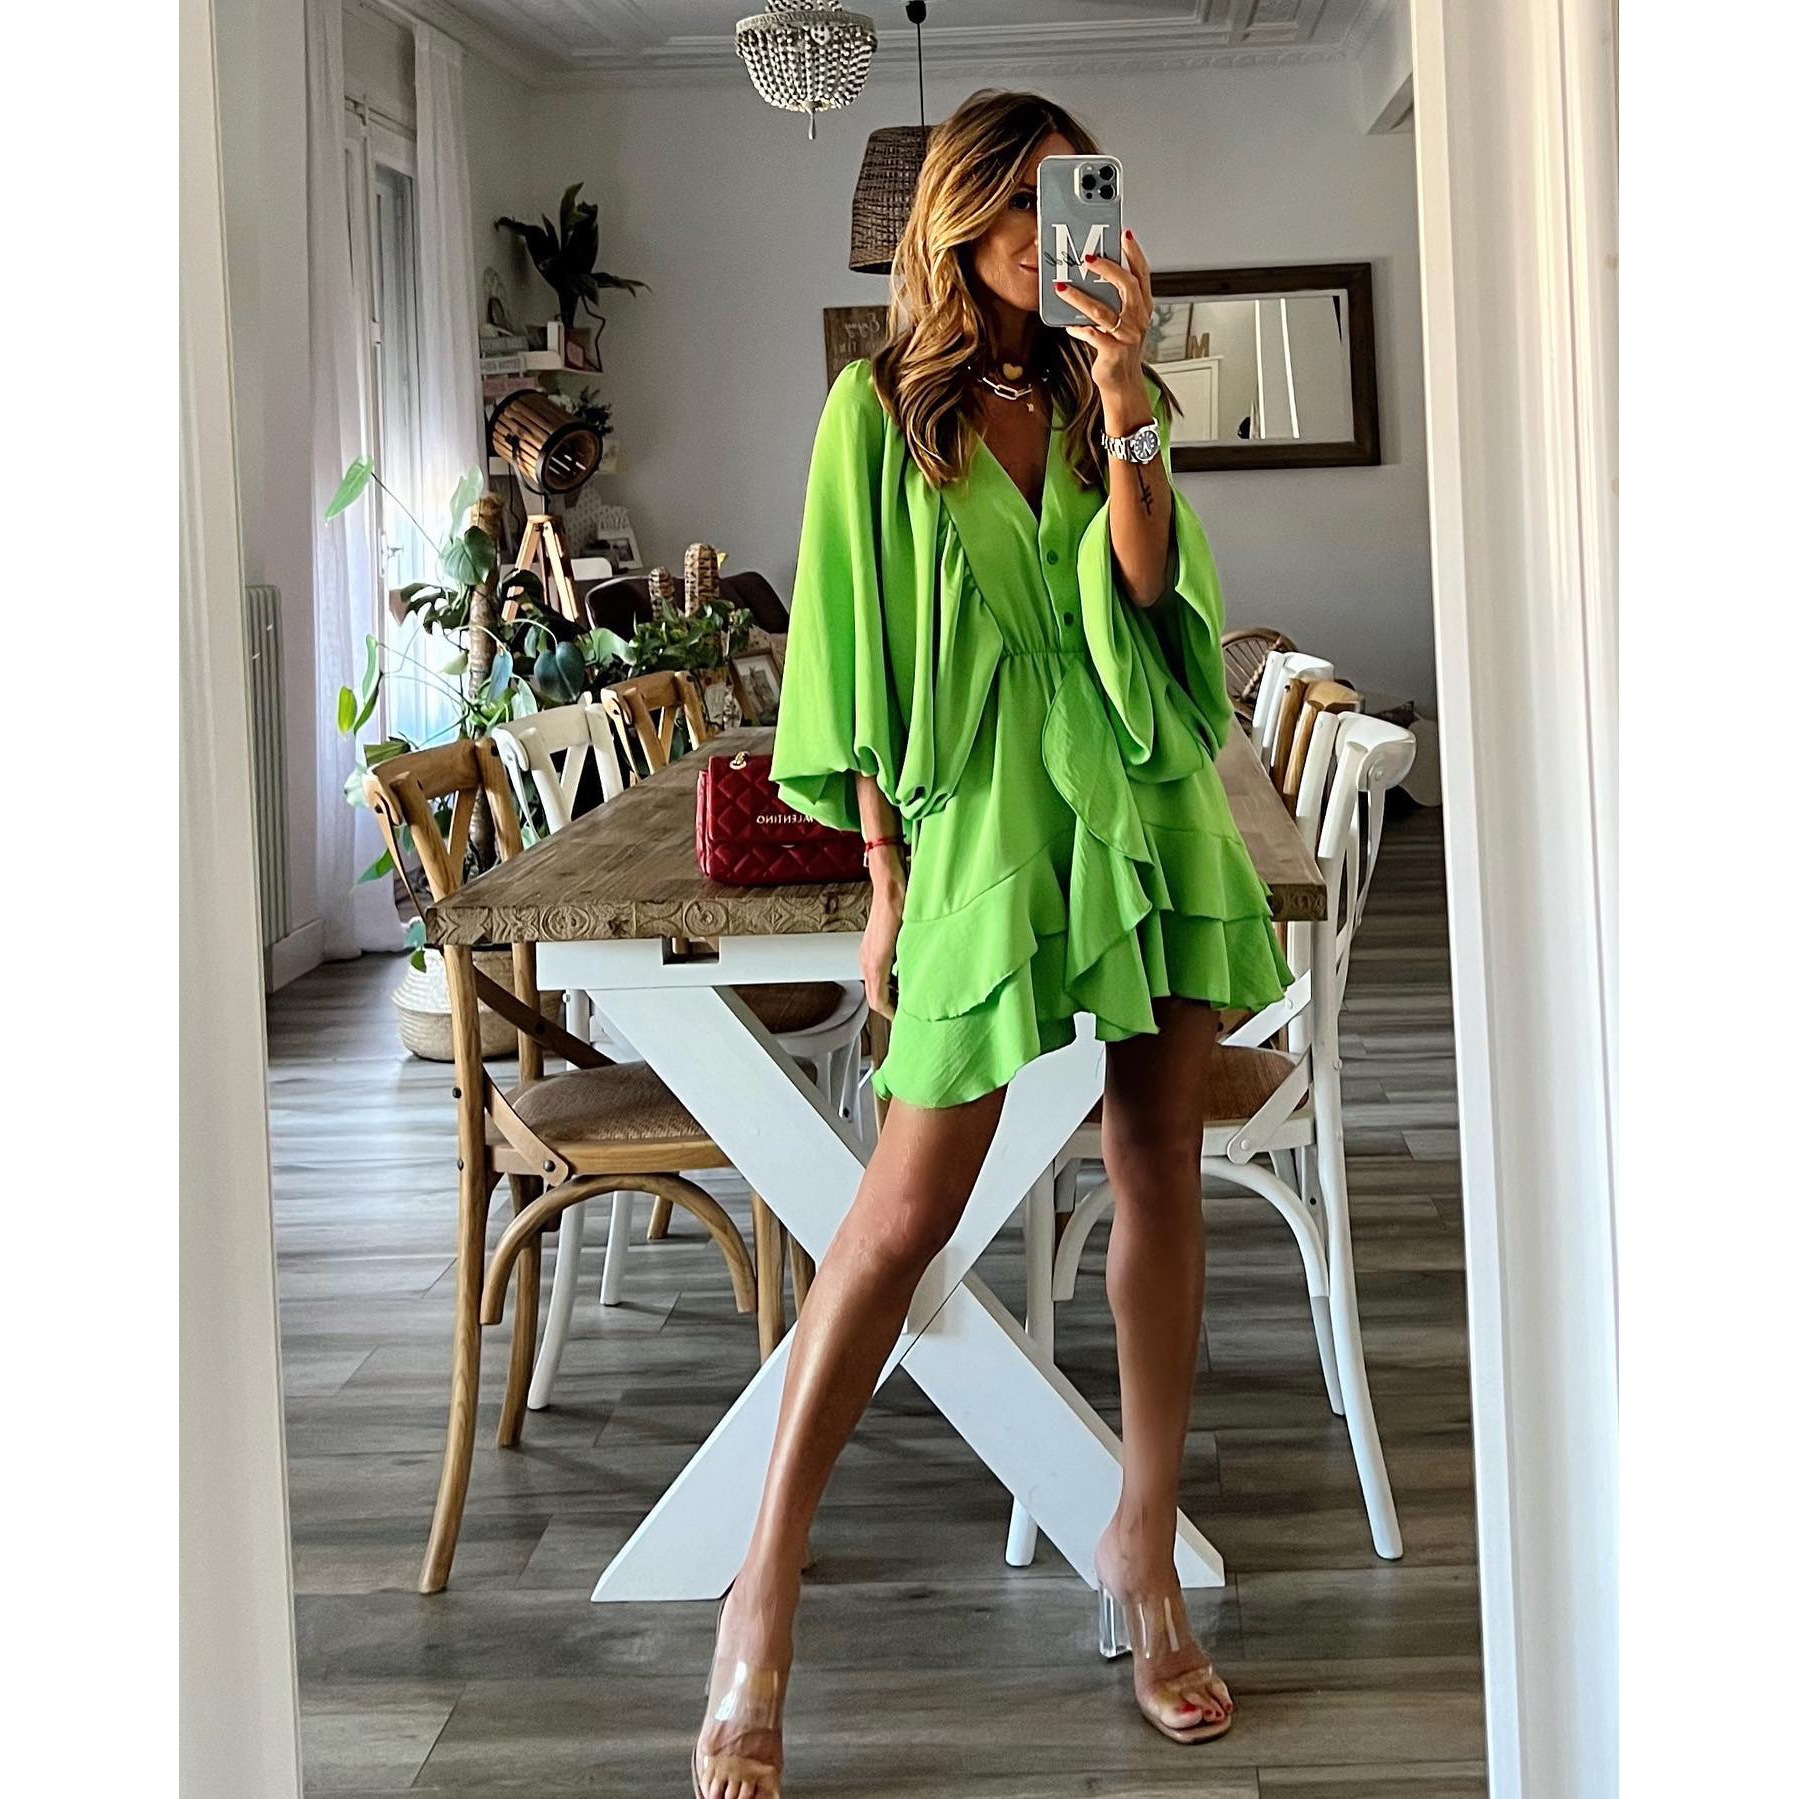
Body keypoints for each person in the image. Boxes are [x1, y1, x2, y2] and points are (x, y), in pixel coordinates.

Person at [691, 88, 1292, 1799]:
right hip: (983, 828)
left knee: (1156, 1162)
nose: (1046, 237)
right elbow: (852, 660)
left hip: (1143, 799)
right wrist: (885, 878)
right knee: (898, 1218)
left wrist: (1129, 397)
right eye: (1015, 208)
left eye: (1066, 202)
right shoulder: (878, 409)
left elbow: (1155, 593)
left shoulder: (1113, 386)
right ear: (954, 223)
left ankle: (1142, 1547)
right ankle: (760, 1587)